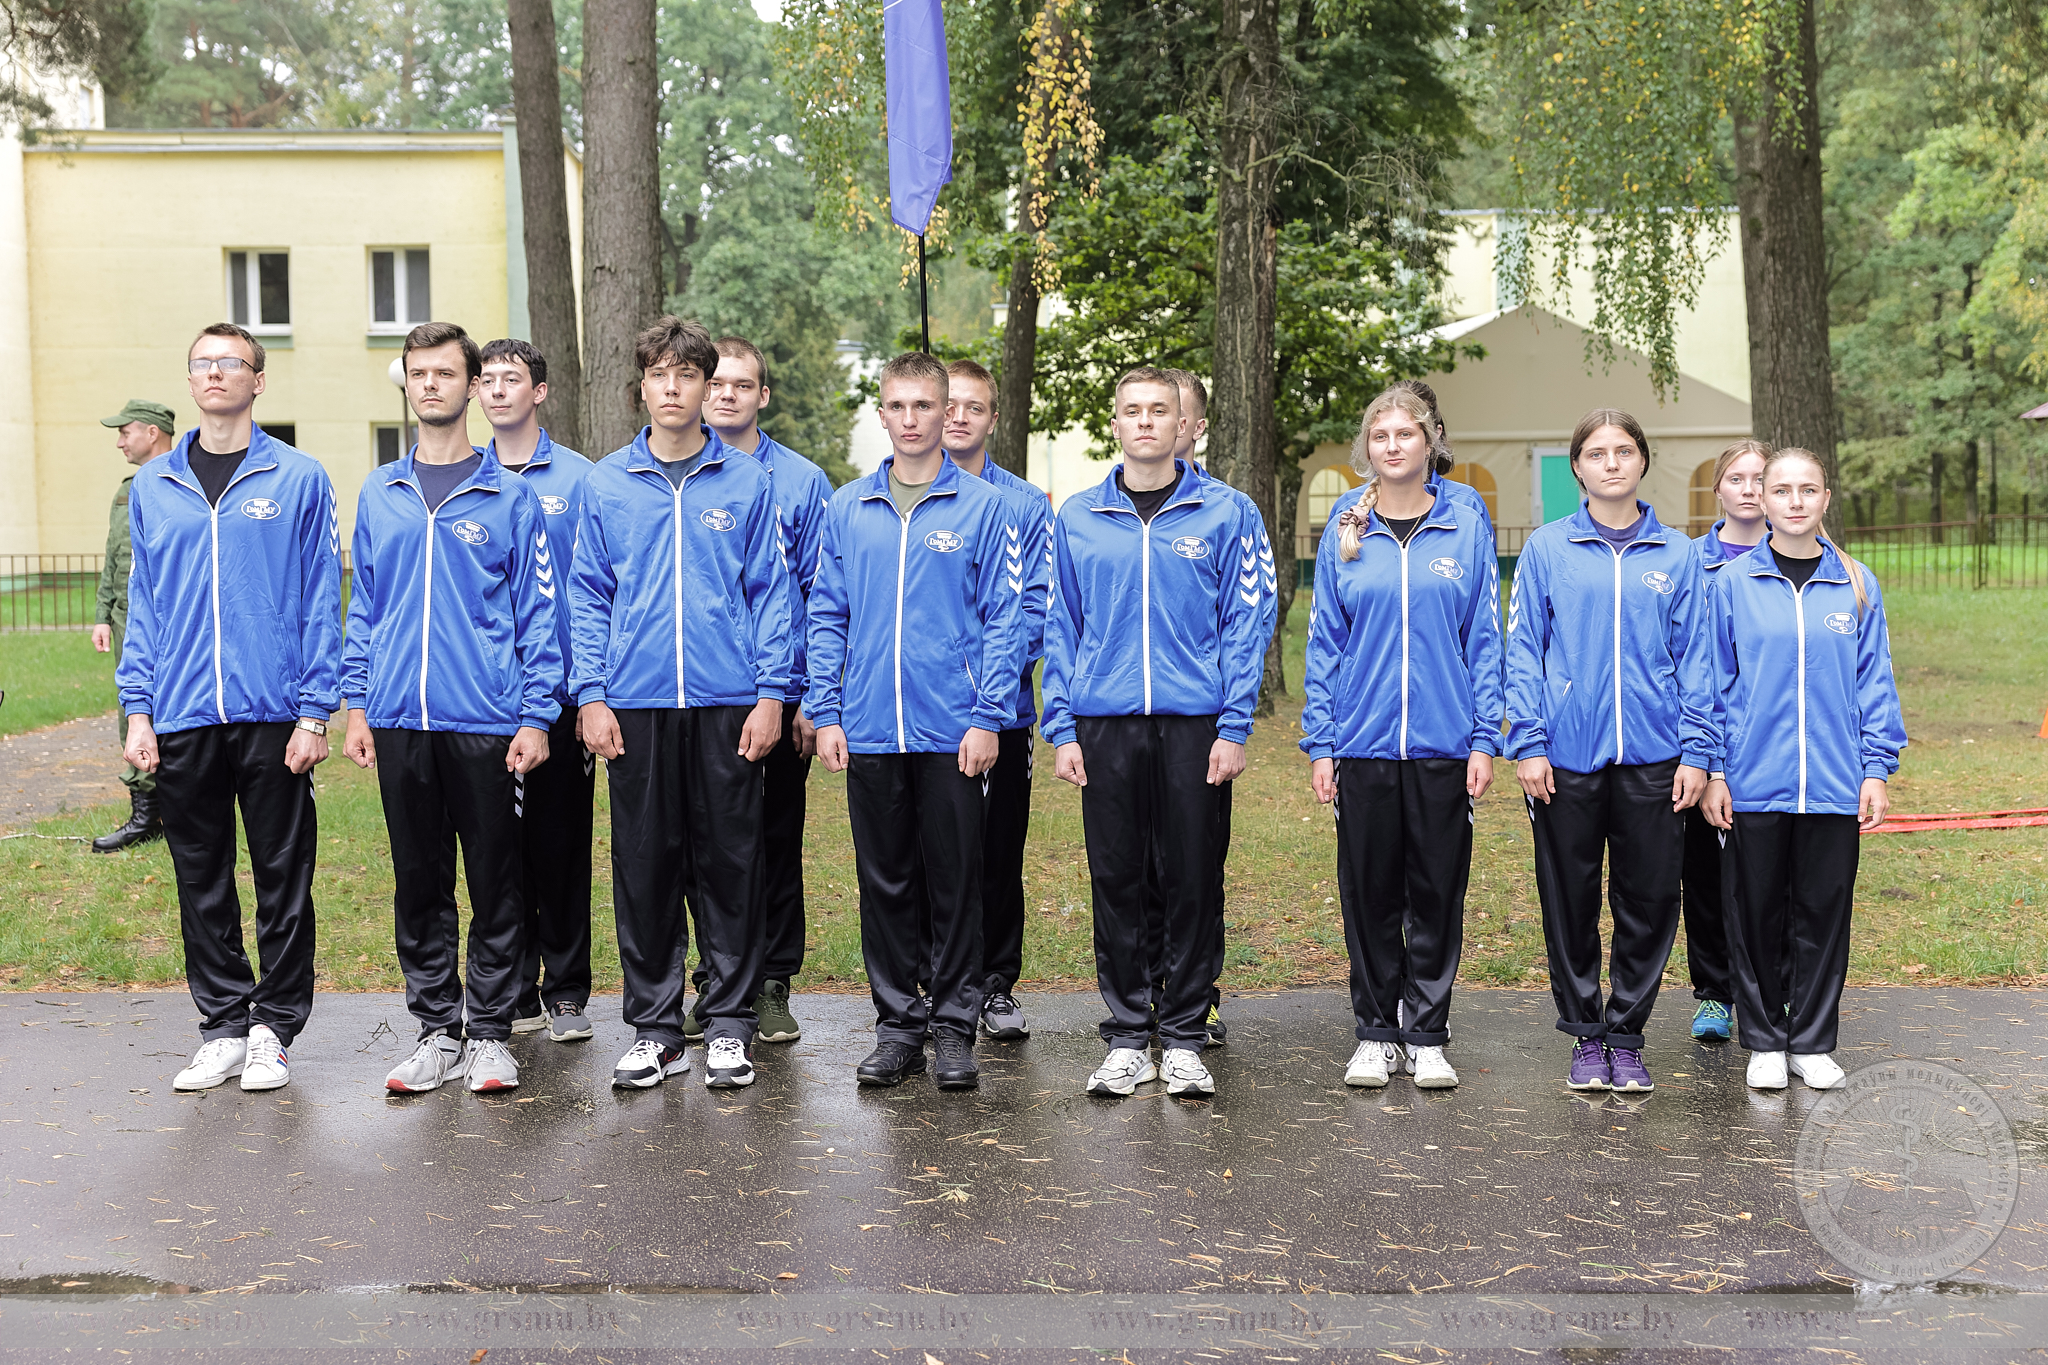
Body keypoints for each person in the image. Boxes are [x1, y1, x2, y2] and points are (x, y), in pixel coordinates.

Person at [570, 316, 793, 1091]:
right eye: (659, 374)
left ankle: (728, 1023)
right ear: (642, 386)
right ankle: (656, 1028)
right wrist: (591, 694)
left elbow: (771, 595)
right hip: (634, 705)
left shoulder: (747, 482)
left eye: (687, 374)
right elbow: (587, 597)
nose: (673, 387)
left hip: (728, 702)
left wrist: (772, 694)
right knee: (644, 866)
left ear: (705, 387)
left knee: (731, 864)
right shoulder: (606, 483)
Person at [119, 322, 341, 1094]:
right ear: (190, 382)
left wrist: (315, 712)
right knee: (201, 877)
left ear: (258, 379)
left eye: (230, 362)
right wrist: (139, 709)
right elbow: (145, 605)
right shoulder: (154, 485)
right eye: (202, 363)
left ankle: (273, 1028)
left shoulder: (299, 477)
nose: (215, 373)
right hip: (183, 712)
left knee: (282, 878)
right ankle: (221, 1025)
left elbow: (321, 598)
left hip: (274, 713)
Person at [343, 323, 563, 1095]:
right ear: (406, 384)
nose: (430, 384)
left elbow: (540, 614)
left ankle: (492, 1034)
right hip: (400, 720)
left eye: (444, 372)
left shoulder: (510, 495)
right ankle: (438, 1030)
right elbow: (364, 607)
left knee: (497, 883)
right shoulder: (381, 492)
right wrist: (358, 703)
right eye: (418, 373)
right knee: (419, 883)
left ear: (472, 385)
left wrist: (536, 715)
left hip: (487, 722)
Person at [1042, 366, 1271, 1099]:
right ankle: (1125, 1035)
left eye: (1158, 410)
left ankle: (1184, 1035)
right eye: (1132, 410)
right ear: (1115, 424)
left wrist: (1233, 725)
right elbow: (1060, 625)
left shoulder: (1228, 513)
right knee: (1117, 878)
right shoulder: (1079, 517)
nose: (1145, 421)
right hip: (1104, 722)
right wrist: (1062, 727)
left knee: (1192, 877)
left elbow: (1247, 624)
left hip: (1194, 723)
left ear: (1183, 425)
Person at [805, 351, 1027, 1091]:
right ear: (882, 413)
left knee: (957, 882)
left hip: (953, 730)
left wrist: (989, 715)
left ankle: (954, 1027)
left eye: (924, 406)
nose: (911, 419)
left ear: (944, 412)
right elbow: (827, 614)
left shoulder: (985, 508)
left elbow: (1004, 620)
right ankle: (898, 1024)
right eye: (897, 406)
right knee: (886, 883)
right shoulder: (848, 507)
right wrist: (826, 709)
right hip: (870, 727)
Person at [1504, 408, 1712, 1094]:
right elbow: (1523, 650)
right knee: (1569, 897)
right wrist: (1528, 741)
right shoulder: (1547, 549)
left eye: (1624, 450)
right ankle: (1585, 1035)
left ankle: (1625, 1034)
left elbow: (1698, 660)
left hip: (1656, 757)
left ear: (1643, 461)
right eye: (1597, 453)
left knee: (1648, 901)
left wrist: (1697, 752)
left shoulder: (1678, 554)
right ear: (1578, 467)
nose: (1612, 463)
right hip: (1565, 756)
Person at [1301, 385, 1501, 1091]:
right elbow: (1325, 645)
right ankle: (1376, 1031)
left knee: (1437, 892)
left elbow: (1484, 640)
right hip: (1362, 745)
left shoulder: (1464, 528)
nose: (1393, 445)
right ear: (1367, 448)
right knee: (1370, 894)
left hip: (1445, 745)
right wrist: (1322, 743)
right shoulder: (1345, 532)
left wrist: (1484, 738)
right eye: (1380, 435)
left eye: (1405, 434)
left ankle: (1427, 1033)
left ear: (1430, 441)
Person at [1701, 448, 1904, 1093]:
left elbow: (1875, 685)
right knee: (1755, 912)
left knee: (1822, 913)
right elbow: (1710, 684)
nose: (1794, 501)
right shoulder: (1731, 585)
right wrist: (1714, 770)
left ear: (1825, 499)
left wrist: (1875, 769)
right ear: (1762, 498)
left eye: (1807, 489)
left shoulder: (1856, 584)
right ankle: (1764, 1039)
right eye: (1781, 489)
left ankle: (1811, 1041)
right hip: (1753, 780)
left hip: (1834, 783)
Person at [693, 335, 834, 1047]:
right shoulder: (677, 474)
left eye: (741, 385)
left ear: (763, 396)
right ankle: (715, 981)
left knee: (773, 839)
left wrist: (808, 697)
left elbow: (822, 592)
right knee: (704, 845)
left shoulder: (803, 482)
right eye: (716, 382)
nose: (726, 394)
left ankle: (773, 980)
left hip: (779, 692)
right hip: (702, 693)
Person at [478, 337, 599, 1047]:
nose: (498, 390)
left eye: (512, 379)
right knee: (498, 847)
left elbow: (591, 589)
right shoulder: (469, 474)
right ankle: (513, 984)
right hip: (488, 697)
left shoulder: (580, 479)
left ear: (540, 392)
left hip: (559, 697)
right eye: (488, 379)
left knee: (560, 843)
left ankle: (568, 987)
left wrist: (584, 690)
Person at [941, 357, 1051, 1042]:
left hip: (1001, 713)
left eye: (973, 407)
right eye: (948, 403)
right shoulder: (899, 496)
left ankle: (994, 984)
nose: (958, 417)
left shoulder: (1025, 505)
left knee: (997, 851)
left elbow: (1035, 607)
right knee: (927, 854)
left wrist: (983, 677)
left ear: (993, 418)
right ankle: (933, 981)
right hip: (922, 713)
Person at [1682, 437, 1771, 1042]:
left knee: (1771, 876)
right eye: (1736, 479)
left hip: (1768, 743)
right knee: (1705, 874)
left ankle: (1773, 988)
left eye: (1760, 478)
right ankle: (1714, 992)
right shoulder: (1689, 561)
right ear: (1717, 489)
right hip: (1704, 741)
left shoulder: (1796, 557)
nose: (1749, 489)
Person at [91, 400, 177, 853]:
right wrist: (103, 615)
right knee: (134, 707)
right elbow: (114, 555)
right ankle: (146, 814)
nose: (120, 442)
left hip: (175, 616)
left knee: (180, 708)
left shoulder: (184, 481)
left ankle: (182, 808)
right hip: (129, 617)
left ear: (152, 432)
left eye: (125, 432)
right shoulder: (126, 490)